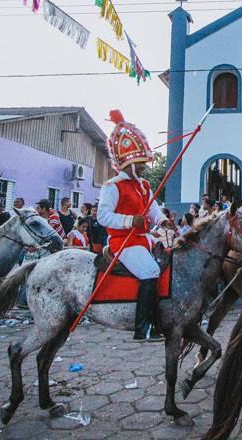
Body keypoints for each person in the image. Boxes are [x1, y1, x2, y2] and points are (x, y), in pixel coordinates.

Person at [96, 110, 171, 341]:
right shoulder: (112, 186)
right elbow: (103, 216)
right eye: (139, 163)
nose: (143, 167)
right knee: (150, 271)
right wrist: (129, 221)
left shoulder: (145, 185)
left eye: (143, 163)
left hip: (144, 239)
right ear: (126, 163)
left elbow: (152, 209)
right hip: (123, 243)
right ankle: (143, 329)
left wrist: (162, 220)